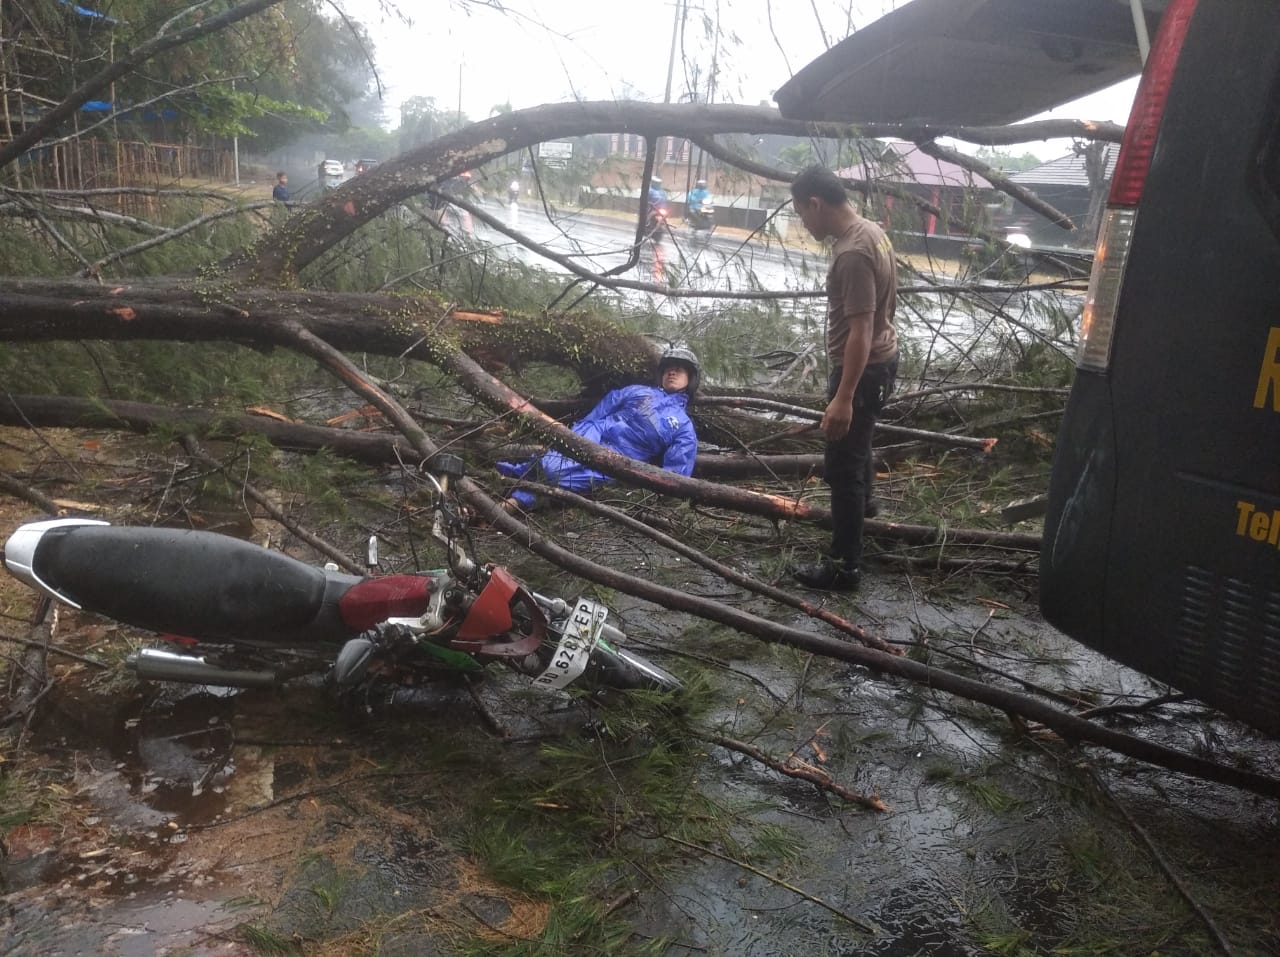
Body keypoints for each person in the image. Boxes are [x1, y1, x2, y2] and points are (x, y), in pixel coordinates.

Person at [788, 165, 898, 591]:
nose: (804, 223)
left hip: (863, 369)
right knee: (859, 450)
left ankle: (844, 566)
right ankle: (866, 508)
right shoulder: (873, 231)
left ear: (816, 204)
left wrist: (844, 397)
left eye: (802, 214)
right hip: (882, 361)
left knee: (842, 467)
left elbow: (862, 329)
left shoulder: (852, 252)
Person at [497, 346, 701, 512]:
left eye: (679, 369)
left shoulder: (683, 426)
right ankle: (504, 483)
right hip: (594, 432)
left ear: (690, 378)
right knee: (551, 466)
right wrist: (581, 430)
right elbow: (602, 410)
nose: (671, 372)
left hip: (619, 461)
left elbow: (676, 473)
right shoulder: (639, 391)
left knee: (560, 478)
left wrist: (650, 494)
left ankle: (510, 501)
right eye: (668, 369)